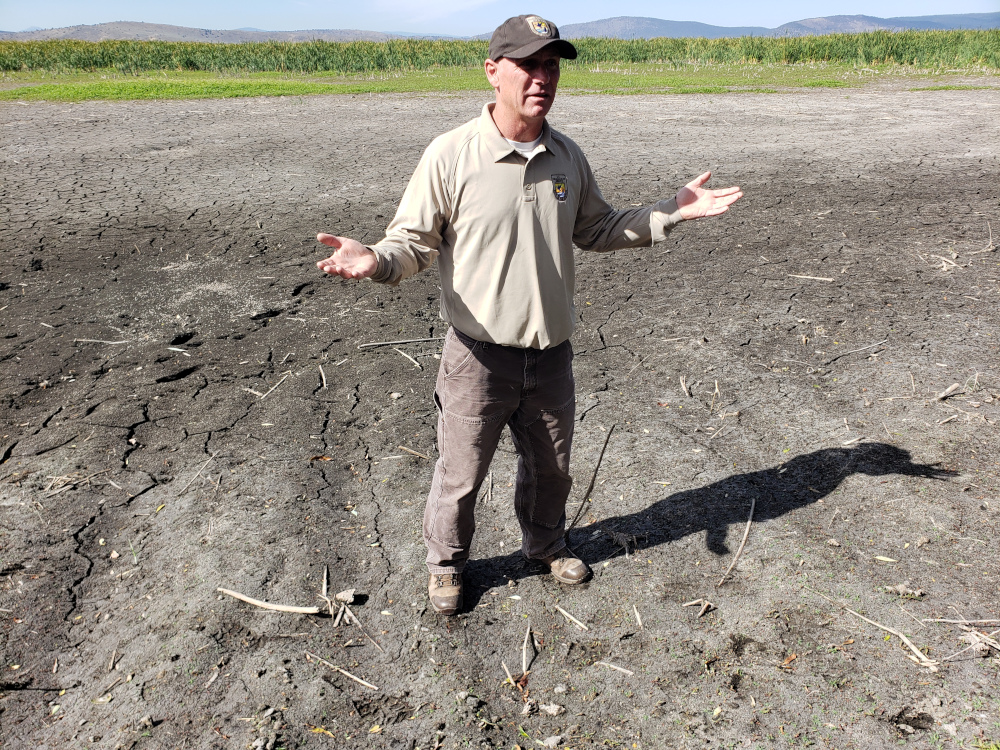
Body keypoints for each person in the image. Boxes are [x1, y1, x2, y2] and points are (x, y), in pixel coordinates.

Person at [316, 14, 742, 616]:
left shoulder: (566, 157)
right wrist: (375, 261)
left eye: (552, 66)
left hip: (551, 357)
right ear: (493, 72)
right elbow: (411, 245)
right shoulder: (451, 155)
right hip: (477, 357)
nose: (542, 78)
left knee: (552, 470)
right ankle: (446, 566)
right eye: (528, 65)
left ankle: (544, 548)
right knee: (460, 474)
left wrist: (670, 211)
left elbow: (597, 229)